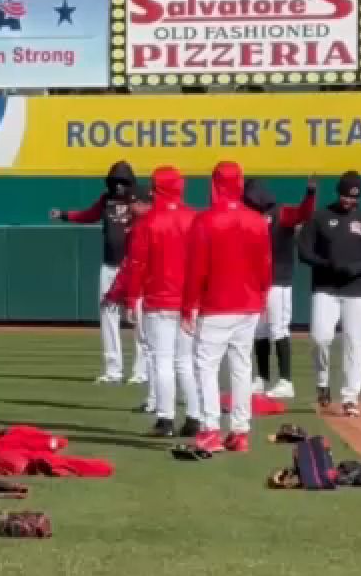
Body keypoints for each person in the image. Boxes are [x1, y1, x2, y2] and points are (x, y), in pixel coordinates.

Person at [181, 161, 271, 454]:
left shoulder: (205, 220)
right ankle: (240, 431)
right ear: (240, 184)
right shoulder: (257, 220)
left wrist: (187, 307)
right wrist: (262, 298)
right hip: (247, 305)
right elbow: (265, 267)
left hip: (216, 305)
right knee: (241, 367)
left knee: (206, 368)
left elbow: (196, 269)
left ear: (214, 184)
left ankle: (210, 430)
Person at [116, 166, 201, 439]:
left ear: (157, 189)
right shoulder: (195, 219)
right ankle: (194, 417)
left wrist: (131, 299)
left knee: (162, 360)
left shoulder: (148, 222)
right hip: (190, 301)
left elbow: (137, 265)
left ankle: (165, 420)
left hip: (159, 301)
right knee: (186, 362)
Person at [297, 171, 361, 418]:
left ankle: (350, 397)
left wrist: (357, 267)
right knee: (319, 337)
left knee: (354, 342)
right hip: (326, 287)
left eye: (354, 197)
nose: (349, 201)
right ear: (338, 192)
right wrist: (326, 264)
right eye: (346, 195)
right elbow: (303, 251)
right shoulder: (321, 218)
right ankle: (322, 380)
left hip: (357, 289)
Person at [51, 161, 149, 386]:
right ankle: (113, 371)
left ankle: (141, 372)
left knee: (139, 318)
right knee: (108, 316)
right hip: (109, 265)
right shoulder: (107, 199)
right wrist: (64, 215)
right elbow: (88, 214)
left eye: (122, 181)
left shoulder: (142, 198)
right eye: (115, 181)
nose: (118, 186)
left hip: (135, 266)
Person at [242, 178, 316, 400]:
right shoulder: (247, 216)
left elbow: (303, 213)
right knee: (259, 330)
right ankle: (262, 378)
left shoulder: (280, 213)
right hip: (255, 282)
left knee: (278, 329)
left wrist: (310, 194)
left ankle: (286, 381)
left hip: (278, 281)